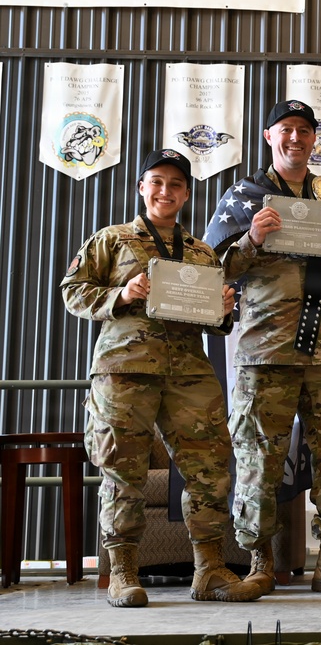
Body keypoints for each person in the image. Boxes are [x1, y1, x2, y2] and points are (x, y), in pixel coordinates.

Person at [62, 149, 261, 607]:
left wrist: (223, 312)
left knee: (210, 471)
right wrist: (120, 293)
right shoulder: (111, 240)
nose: (165, 191)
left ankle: (209, 570)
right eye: (156, 182)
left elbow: (212, 318)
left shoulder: (201, 252)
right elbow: (72, 292)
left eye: (175, 184)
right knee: (122, 471)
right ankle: (124, 573)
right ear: (141, 187)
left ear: (186, 193)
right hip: (124, 370)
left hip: (189, 373)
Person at [203, 99, 321, 596]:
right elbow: (213, 270)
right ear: (268, 135)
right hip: (266, 347)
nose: (296, 138)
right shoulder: (244, 195)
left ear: (314, 140)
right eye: (287, 129)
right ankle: (259, 562)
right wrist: (251, 239)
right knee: (258, 454)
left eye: (305, 130)